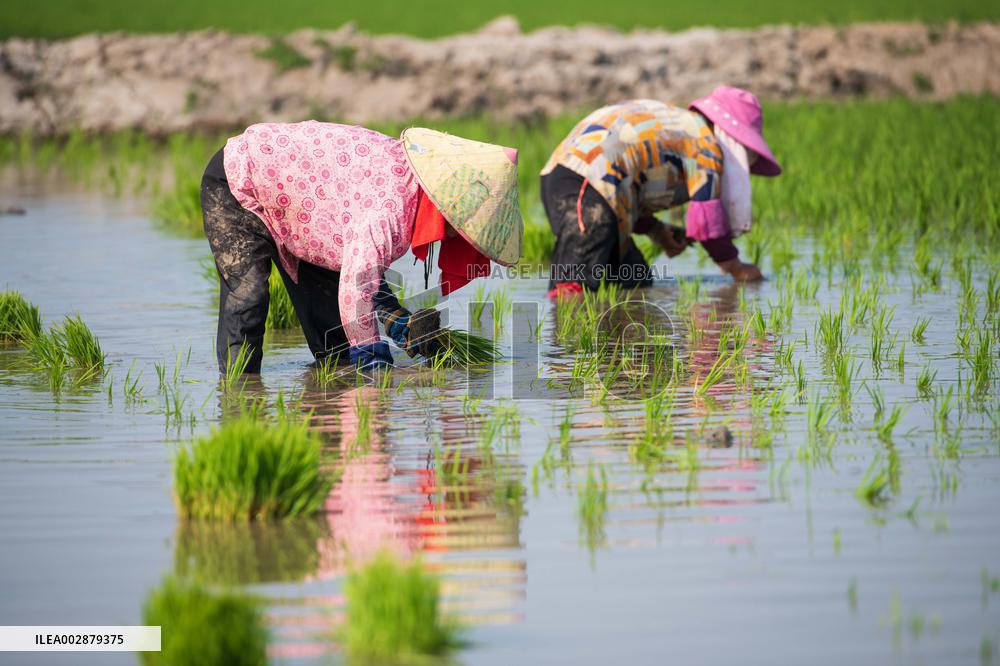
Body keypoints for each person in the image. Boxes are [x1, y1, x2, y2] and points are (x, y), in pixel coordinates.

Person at [201, 122, 523, 373]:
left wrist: (398, 323)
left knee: (336, 351)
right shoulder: (393, 208)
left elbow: (362, 270)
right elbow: (357, 286)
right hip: (241, 179)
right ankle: (238, 405)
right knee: (248, 300)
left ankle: (328, 434)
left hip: (307, 216)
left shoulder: (408, 191)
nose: (459, 237)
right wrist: (374, 364)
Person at [540, 86, 782, 297]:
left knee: (634, 278)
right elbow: (706, 223)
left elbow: (631, 182)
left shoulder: (680, 126)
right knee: (572, 286)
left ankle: (615, 347)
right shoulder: (705, 143)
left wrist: (656, 230)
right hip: (587, 184)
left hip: (576, 182)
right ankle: (565, 349)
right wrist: (736, 268)